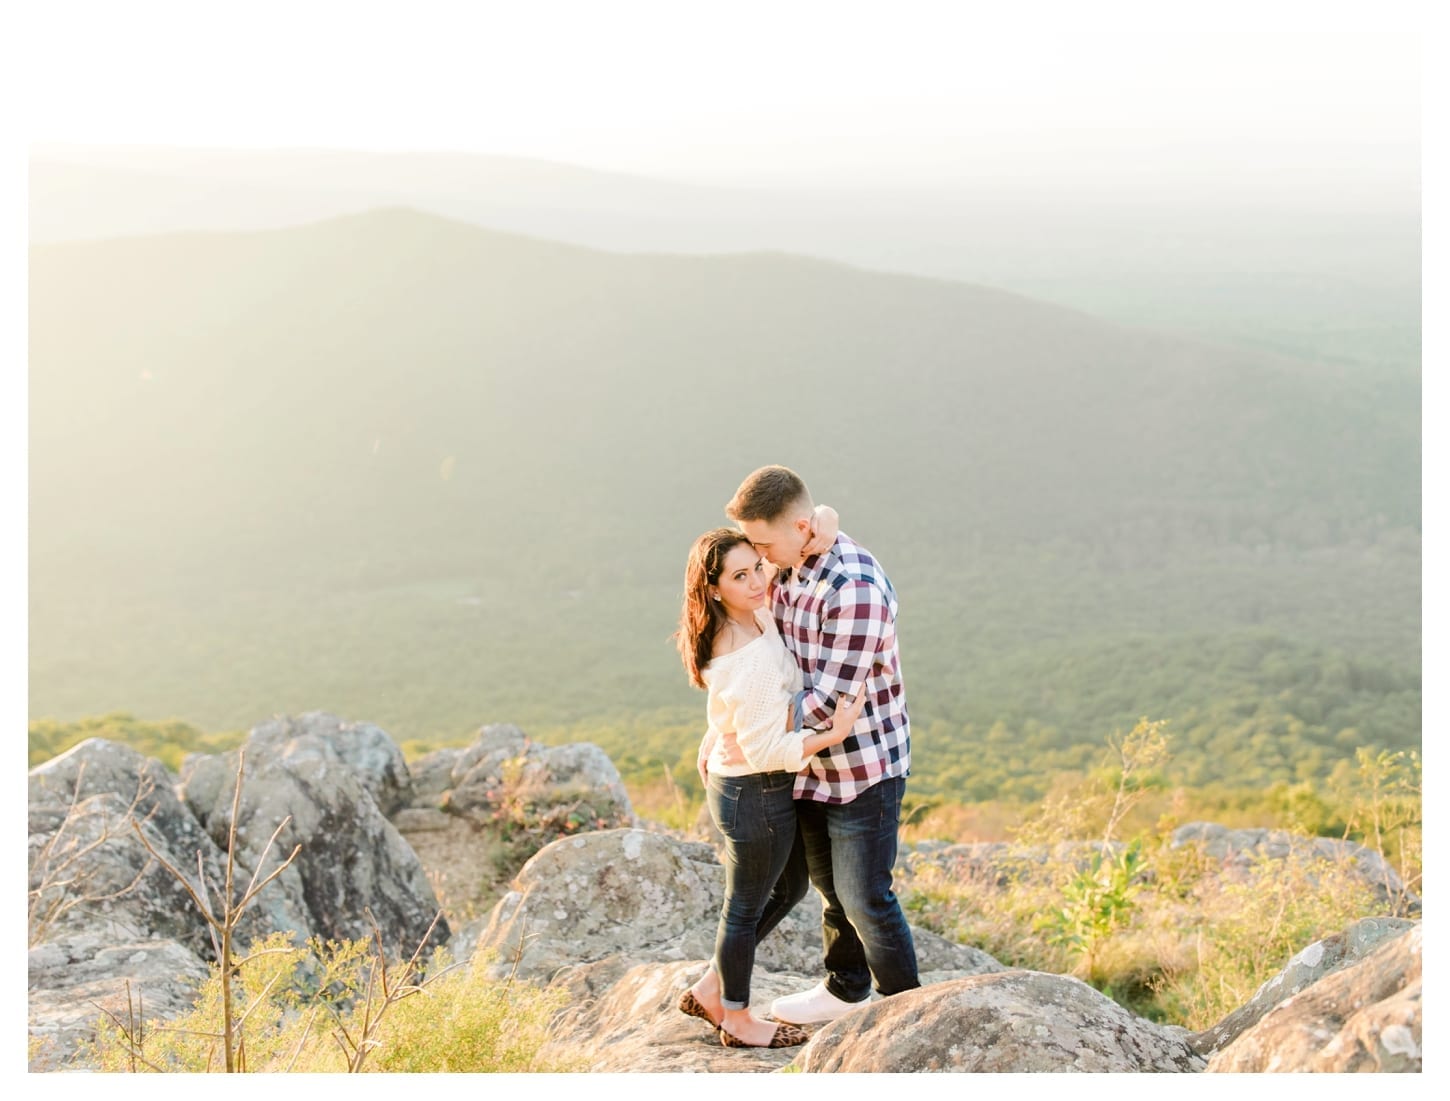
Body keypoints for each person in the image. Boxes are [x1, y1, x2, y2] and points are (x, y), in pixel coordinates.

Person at [725, 464, 921, 1025]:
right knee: (830, 889)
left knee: (865, 897)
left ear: (801, 527)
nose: (757, 556)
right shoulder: (787, 562)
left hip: (863, 763)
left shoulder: (853, 587)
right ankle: (844, 986)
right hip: (807, 762)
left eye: (763, 542)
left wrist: (756, 733)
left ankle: (904, 1012)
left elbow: (835, 701)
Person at [673, 526, 867, 1049]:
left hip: (753, 788)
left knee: (788, 888)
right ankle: (734, 1015)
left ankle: (714, 986)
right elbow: (766, 749)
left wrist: (821, 518)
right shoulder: (748, 656)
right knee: (745, 905)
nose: (759, 581)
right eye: (740, 576)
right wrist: (833, 732)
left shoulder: (748, 612)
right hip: (754, 791)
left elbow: (800, 532)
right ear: (715, 588)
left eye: (757, 566)